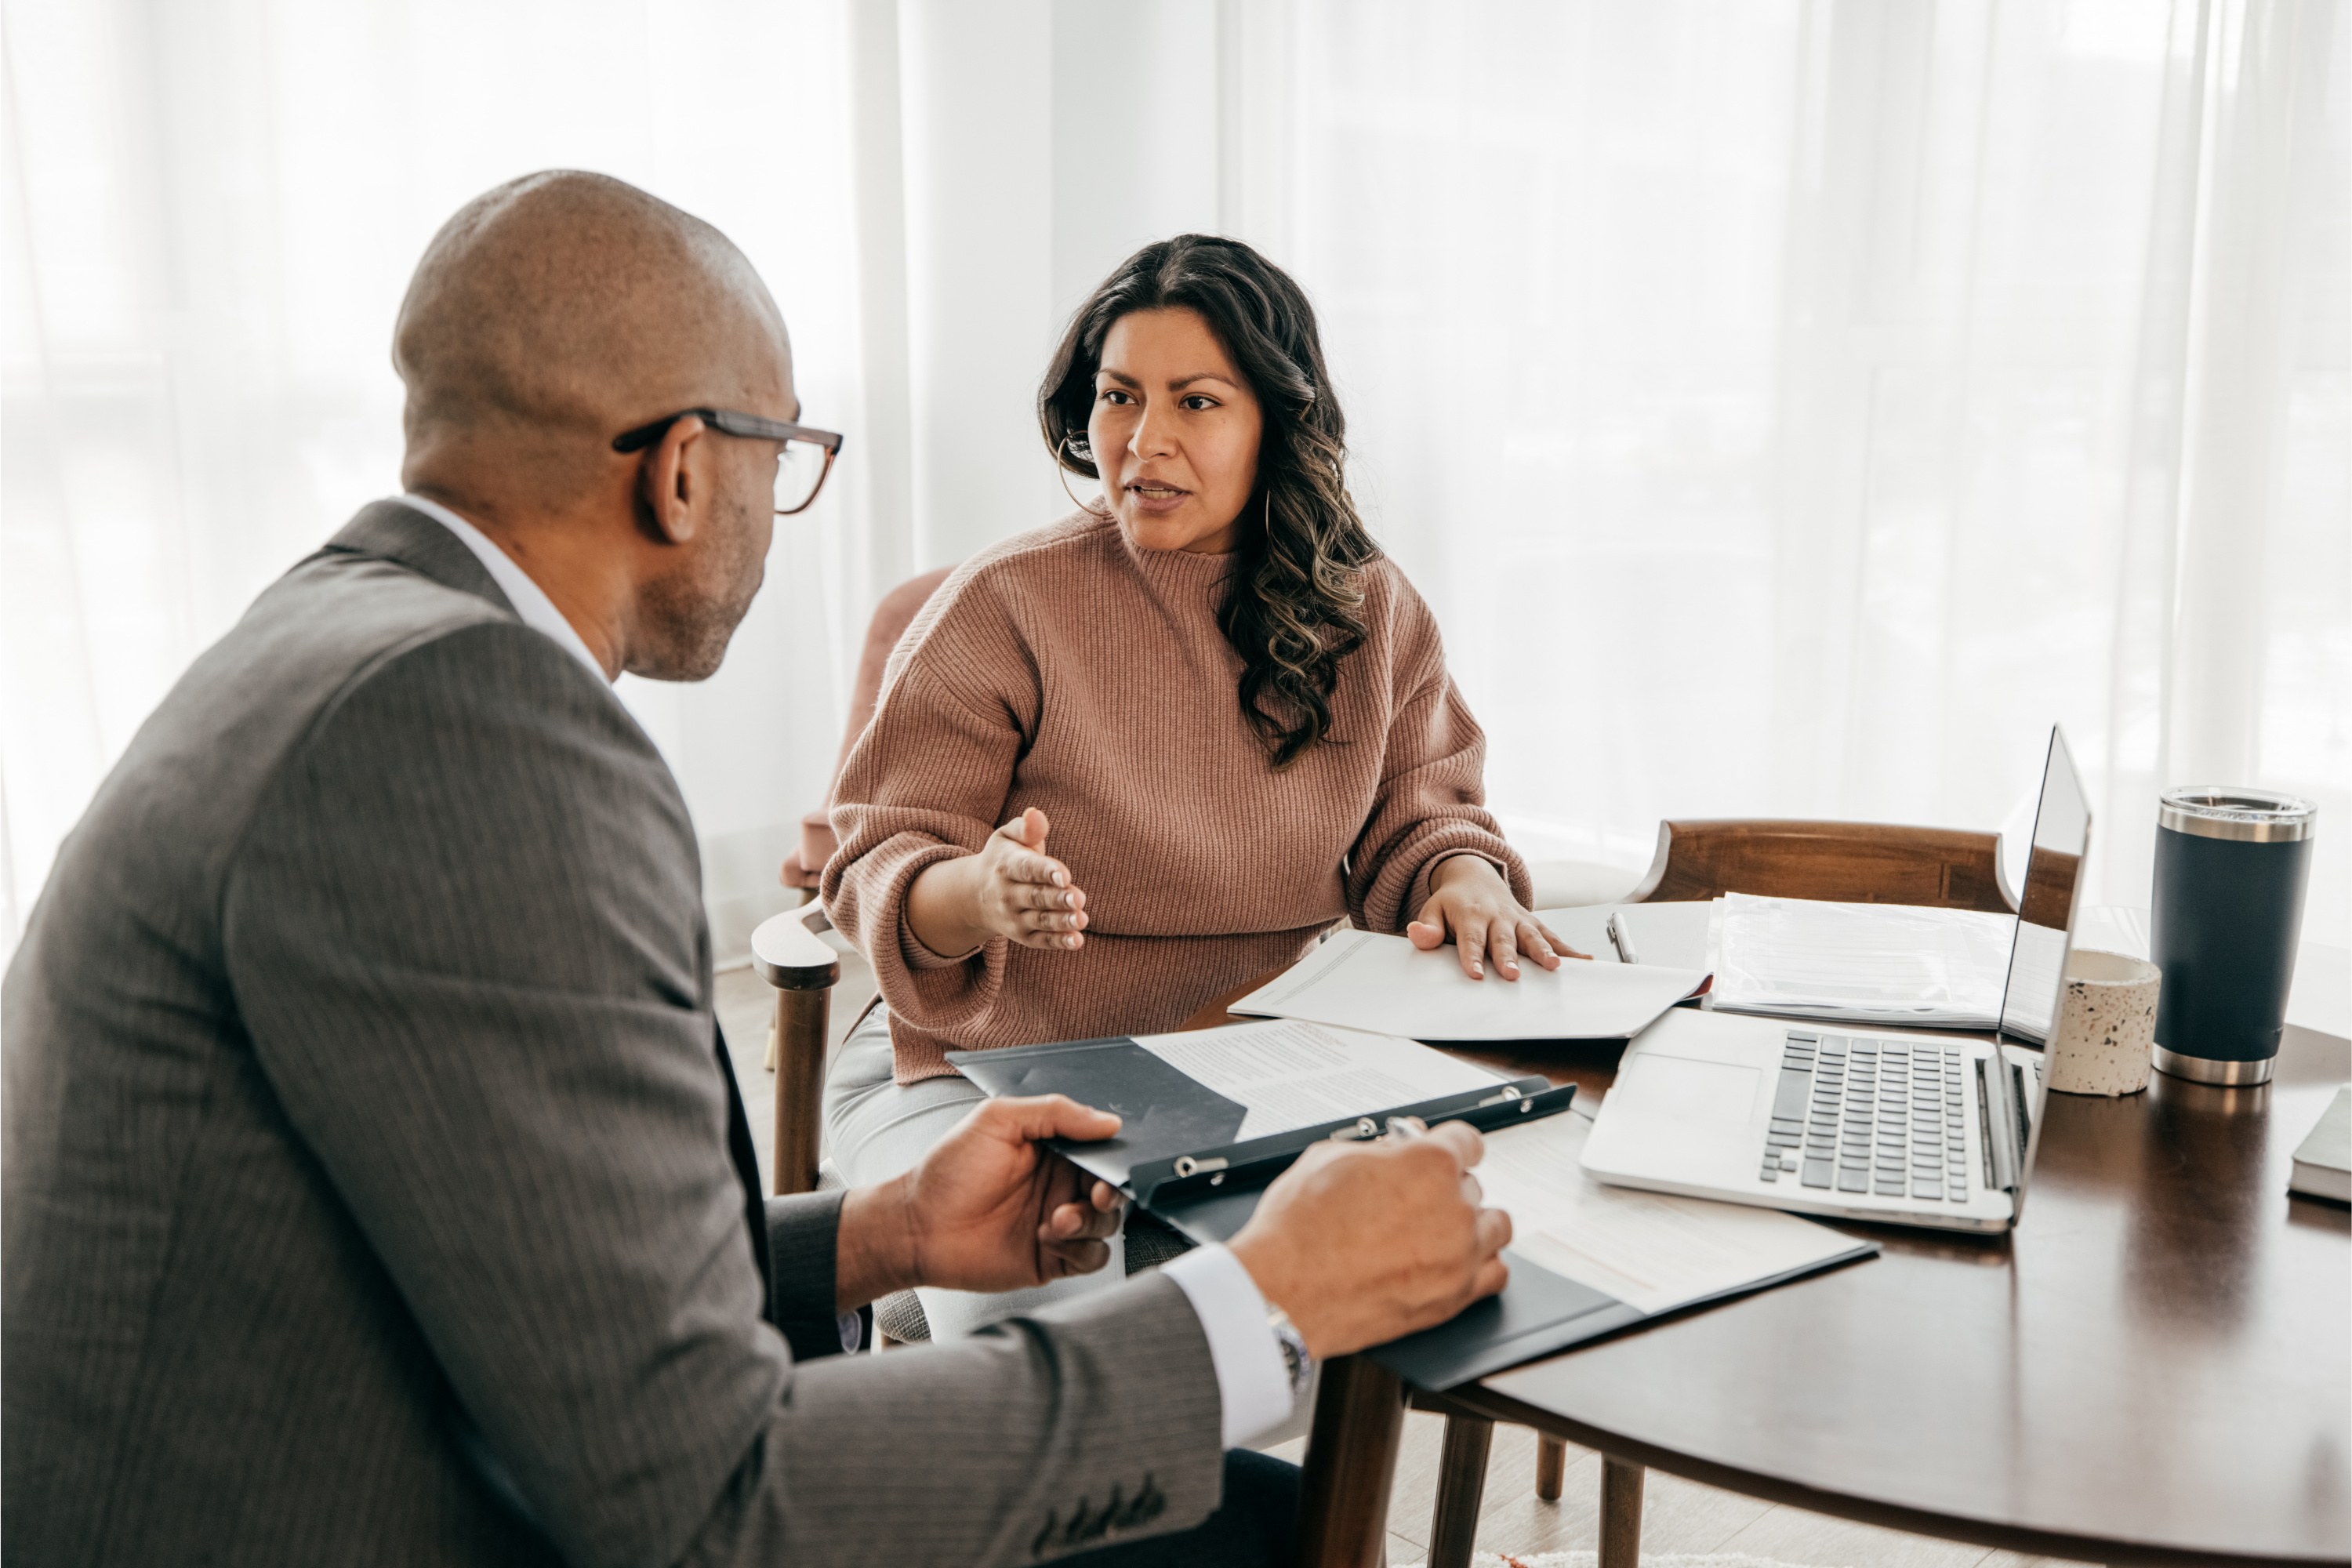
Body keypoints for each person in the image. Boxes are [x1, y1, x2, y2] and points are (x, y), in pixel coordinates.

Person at [0, 173, 1513, 1567]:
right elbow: (714, 1499)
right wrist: (1260, 1306)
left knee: (1242, 1518)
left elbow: (547, 1257)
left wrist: (886, 1234)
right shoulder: (472, 732)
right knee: (1262, 1533)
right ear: (680, 471)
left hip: (341, 1439)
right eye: (783, 455)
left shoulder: (342, 638)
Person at [822, 234, 1581, 1339]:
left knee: (1353, 1319)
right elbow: (876, 865)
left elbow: (1424, 811)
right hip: (992, 1064)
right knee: (1051, 1360)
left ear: (1277, 419)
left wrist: (1460, 879)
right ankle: (931, 1314)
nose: (1145, 440)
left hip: (1253, 1064)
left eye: (1198, 401)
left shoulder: (1369, 610)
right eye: (1119, 396)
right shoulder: (1005, 605)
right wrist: (973, 893)